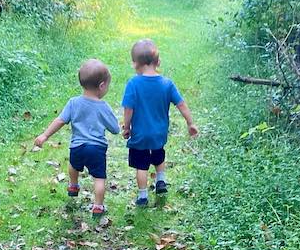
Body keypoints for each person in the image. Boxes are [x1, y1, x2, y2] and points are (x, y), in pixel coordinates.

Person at [34, 59, 119, 217]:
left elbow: (60, 120)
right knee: (99, 178)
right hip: (96, 149)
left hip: (77, 147)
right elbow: (115, 129)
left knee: (74, 165)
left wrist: (45, 135)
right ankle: (98, 206)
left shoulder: (73, 103)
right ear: (102, 86)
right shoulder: (103, 106)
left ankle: (73, 185)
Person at [122, 39, 198, 206]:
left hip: (140, 135)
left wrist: (126, 127)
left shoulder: (133, 84)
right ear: (158, 62)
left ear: (135, 64)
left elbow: (128, 109)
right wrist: (190, 123)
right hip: (159, 132)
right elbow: (181, 104)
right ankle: (161, 180)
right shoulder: (166, 84)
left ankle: (143, 196)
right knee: (158, 154)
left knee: (141, 165)